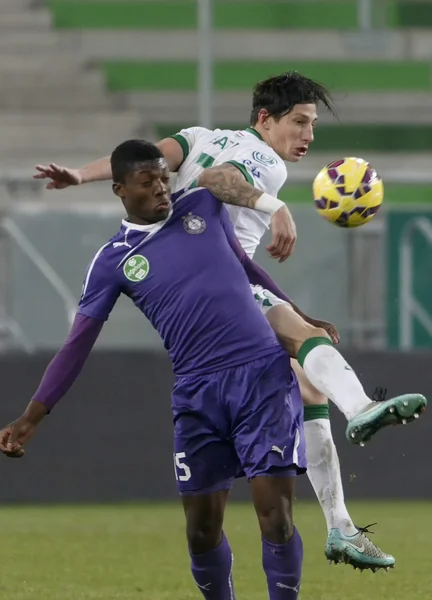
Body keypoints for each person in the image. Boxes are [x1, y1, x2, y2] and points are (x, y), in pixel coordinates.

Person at [32, 72, 427, 571]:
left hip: (204, 284)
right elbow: (222, 182)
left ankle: (341, 526)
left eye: (312, 125)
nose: (307, 136)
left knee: (309, 386)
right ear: (265, 120)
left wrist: (75, 176)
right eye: (299, 122)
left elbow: (136, 157)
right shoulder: (263, 161)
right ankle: (363, 409)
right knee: (307, 347)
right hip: (223, 289)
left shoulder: (197, 136)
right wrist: (273, 204)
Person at [1, 140, 308, 600]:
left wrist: (298, 315)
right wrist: (31, 416)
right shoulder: (113, 260)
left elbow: (245, 266)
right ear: (121, 190)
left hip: (260, 375)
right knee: (202, 530)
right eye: (148, 183)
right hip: (198, 394)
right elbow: (76, 346)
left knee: (275, 515)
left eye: (165, 178)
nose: (162, 189)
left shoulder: (203, 204)